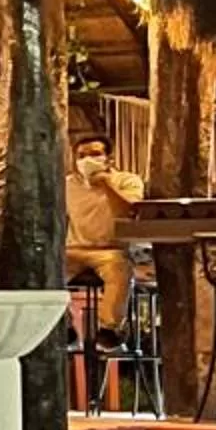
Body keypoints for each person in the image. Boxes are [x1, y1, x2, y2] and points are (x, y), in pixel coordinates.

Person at [66, 134, 144, 337]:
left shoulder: (127, 180)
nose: (87, 161)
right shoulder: (68, 185)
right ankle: (62, 326)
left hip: (110, 249)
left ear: (108, 159)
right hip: (73, 249)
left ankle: (110, 329)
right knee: (44, 272)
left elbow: (128, 211)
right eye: (81, 156)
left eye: (94, 154)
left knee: (120, 272)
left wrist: (107, 185)